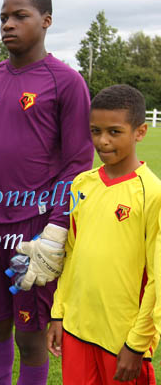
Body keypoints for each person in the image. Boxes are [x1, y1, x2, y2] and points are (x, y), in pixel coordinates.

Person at [0, 0, 94, 384]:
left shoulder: (66, 81)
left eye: (20, 16)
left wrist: (56, 228)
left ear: (46, 22)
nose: (9, 25)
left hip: (33, 228)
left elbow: (78, 162)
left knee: (31, 338)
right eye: (3, 17)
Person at [47, 84, 160, 384]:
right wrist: (58, 313)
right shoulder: (82, 184)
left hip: (121, 340)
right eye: (95, 131)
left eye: (114, 132)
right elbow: (70, 256)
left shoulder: (153, 193)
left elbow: (157, 282)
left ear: (140, 132)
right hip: (76, 330)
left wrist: (137, 344)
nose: (102, 141)